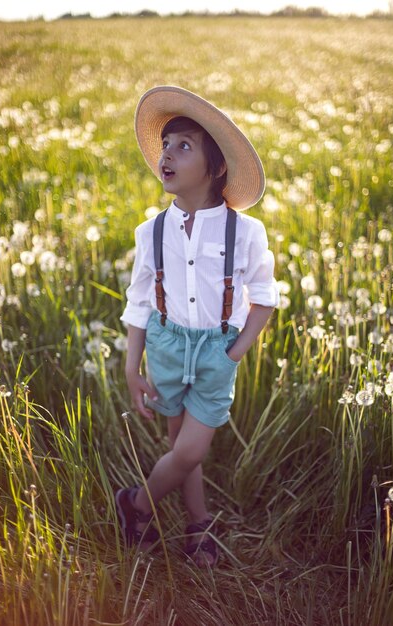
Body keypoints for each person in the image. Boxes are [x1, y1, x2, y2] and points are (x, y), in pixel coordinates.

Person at [117, 85, 279, 567]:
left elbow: (265, 301)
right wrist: (131, 366)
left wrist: (232, 353)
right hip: (166, 346)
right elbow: (140, 300)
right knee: (179, 447)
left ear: (216, 167)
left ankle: (136, 504)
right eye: (166, 145)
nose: (167, 154)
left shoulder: (246, 232)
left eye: (184, 146)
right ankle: (198, 524)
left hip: (216, 352)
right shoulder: (151, 232)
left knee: (188, 452)